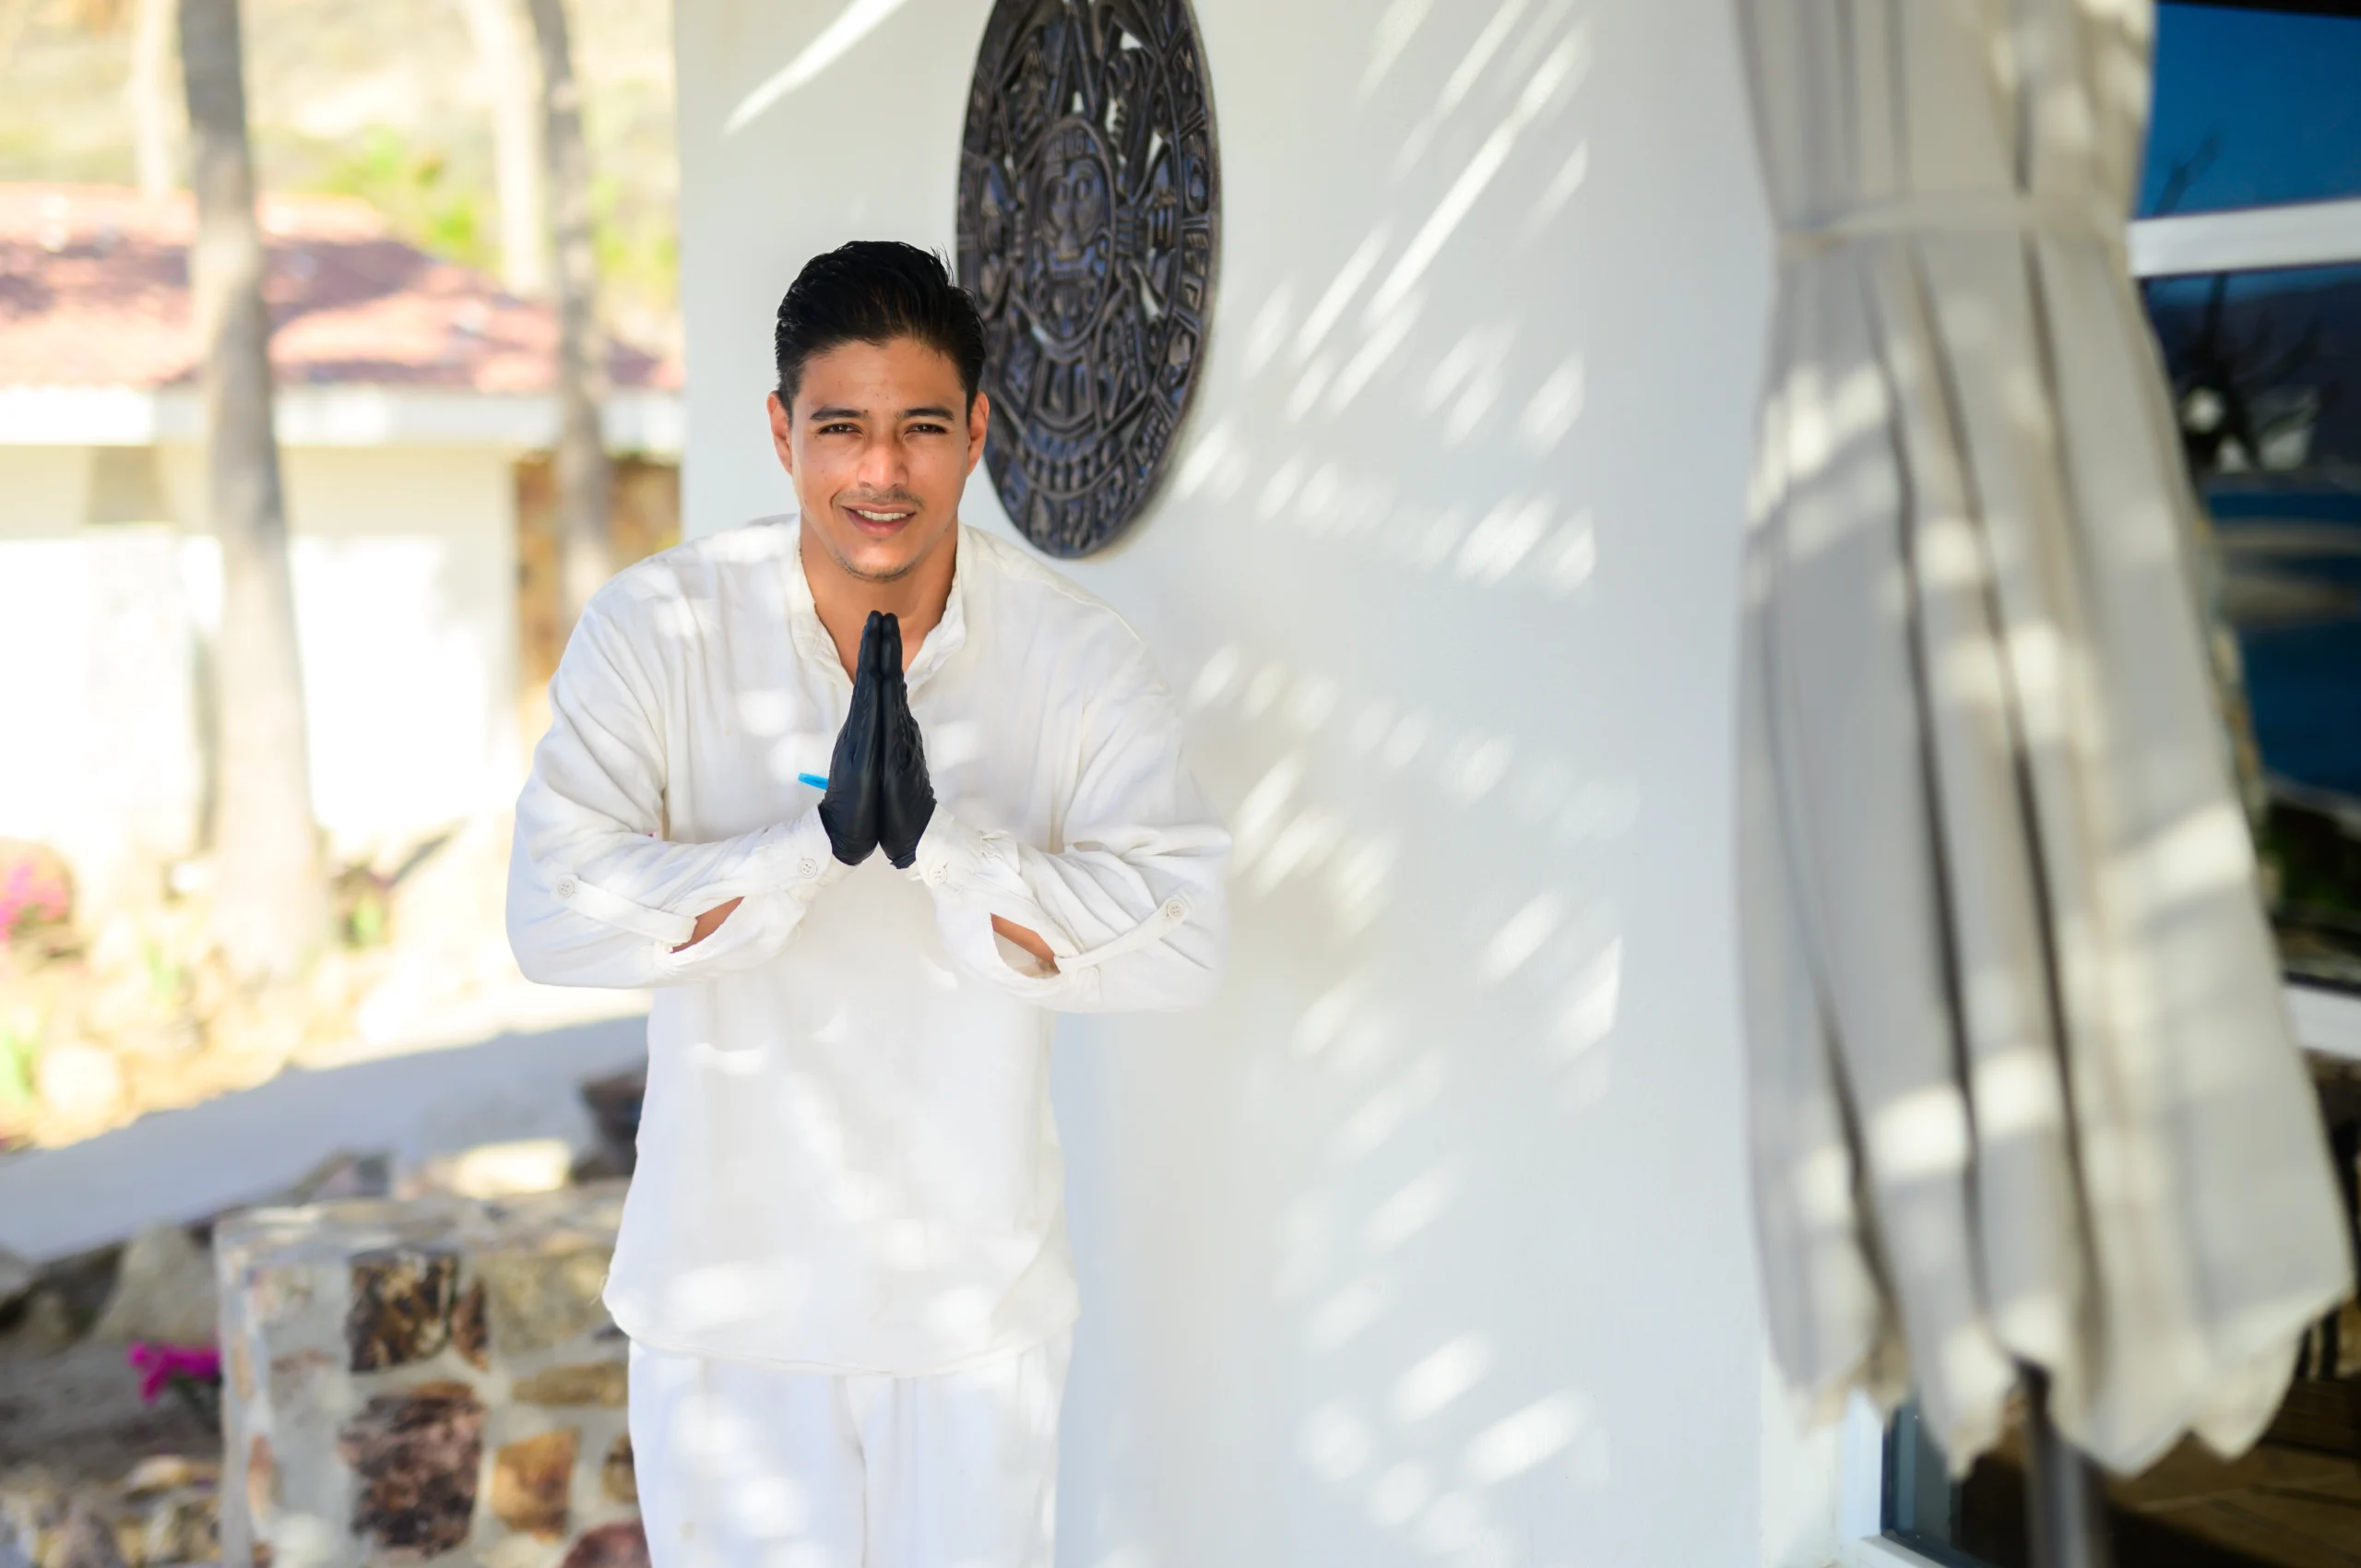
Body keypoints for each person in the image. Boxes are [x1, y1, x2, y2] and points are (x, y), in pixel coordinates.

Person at [505, 241, 1230, 1567]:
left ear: (978, 435)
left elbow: (1184, 938)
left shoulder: (1075, 658)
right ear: (783, 432)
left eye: (920, 430)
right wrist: (802, 849)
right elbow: (550, 915)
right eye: (841, 428)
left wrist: (954, 852)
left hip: (970, 1317)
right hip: (728, 1306)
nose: (880, 472)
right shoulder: (657, 629)